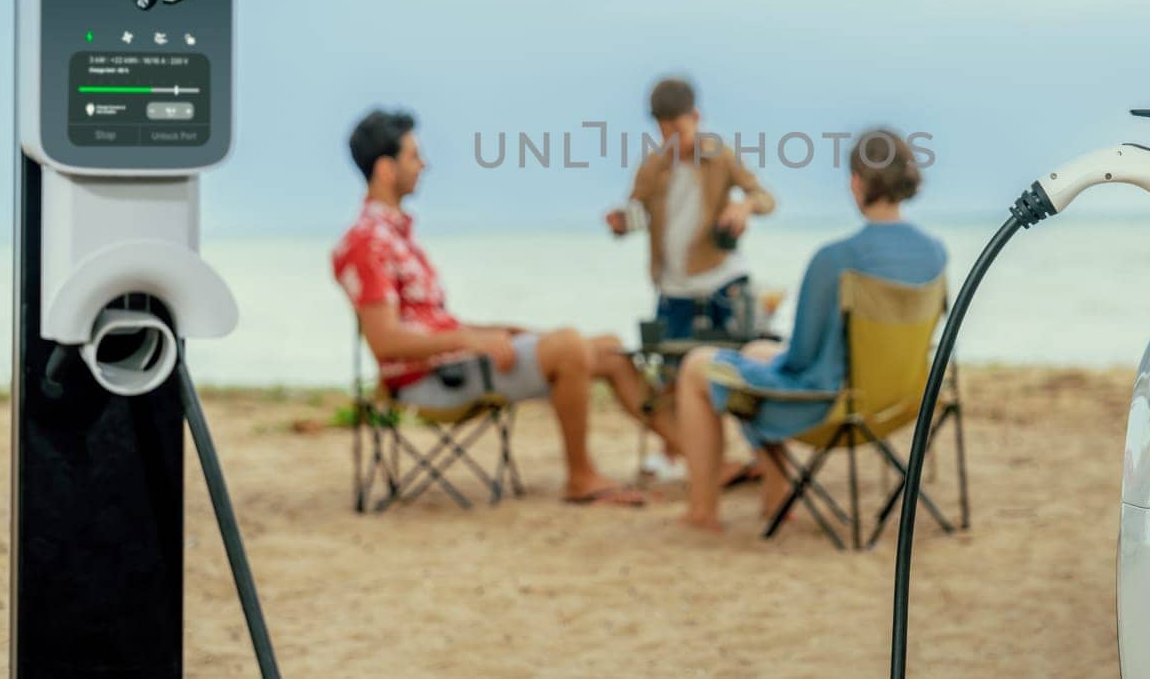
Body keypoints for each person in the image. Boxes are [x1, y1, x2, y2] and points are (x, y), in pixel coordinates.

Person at [333, 108, 671, 506]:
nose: (424, 165)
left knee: (610, 349)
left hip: (454, 362)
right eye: (413, 156)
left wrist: (500, 332)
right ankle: (581, 477)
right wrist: (472, 340)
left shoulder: (396, 235)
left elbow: (431, 322)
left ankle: (693, 454)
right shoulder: (367, 241)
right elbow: (386, 342)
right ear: (386, 169)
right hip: (434, 382)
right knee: (568, 346)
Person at [672, 128, 946, 530]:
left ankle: (702, 512)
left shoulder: (836, 259)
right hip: (904, 401)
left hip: (831, 409)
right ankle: (775, 499)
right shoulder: (935, 253)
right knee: (754, 353)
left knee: (698, 365)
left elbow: (800, 358)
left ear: (857, 182)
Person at [604, 76, 777, 480]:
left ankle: (761, 456)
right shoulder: (653, 167)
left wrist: (743, 207)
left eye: (678, 129)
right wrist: (618, 223)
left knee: (740, 372)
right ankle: (675, 453)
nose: (671, 139)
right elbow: (636, 215)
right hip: (672, 286)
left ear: (695, 118)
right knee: (667, 377)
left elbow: (766, 199)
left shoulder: (719, 156)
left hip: (722, 281)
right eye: (663, 131)